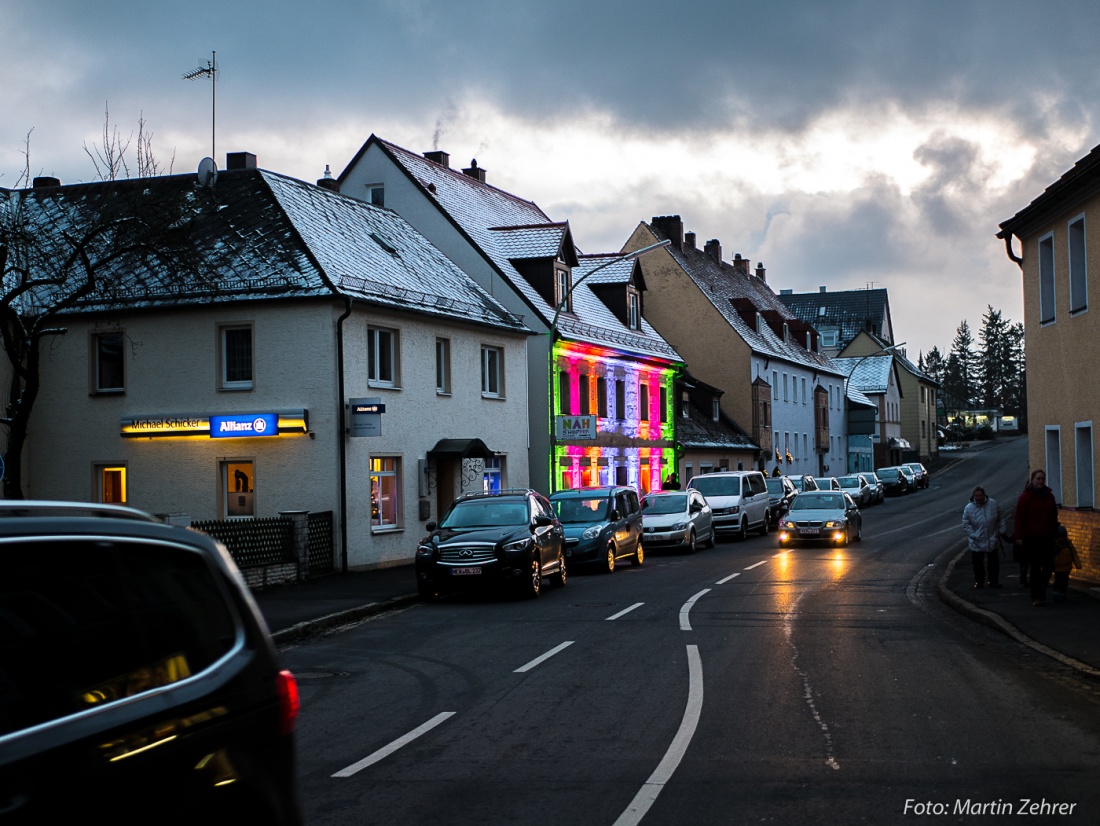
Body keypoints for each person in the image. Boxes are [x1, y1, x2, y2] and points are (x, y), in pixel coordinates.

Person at [1013, 469, 1059, 606]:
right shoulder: (1025, 497)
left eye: (1042, 479)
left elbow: (1053, 516)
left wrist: (1055, 534)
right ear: (1032, 480)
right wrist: (1019, 536)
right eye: (1038, 479)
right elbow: (1019, 518)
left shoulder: (1049, 496)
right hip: (1031, 538)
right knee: (1035, 567)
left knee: (1049, 566)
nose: (1040, 481)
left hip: (1047, 537)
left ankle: (1042, 590)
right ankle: (1036, 596)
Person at [962, 485, 1002, 588]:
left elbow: (1000, 518)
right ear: (973, 496)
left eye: (980, 495)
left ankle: (993, 581)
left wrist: (999, 531)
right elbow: (966, 523)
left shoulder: (992, 504)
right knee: (977, 564)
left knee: (993, 562)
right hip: (977, 540)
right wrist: (973, 534)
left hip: (991, 538)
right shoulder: (969, 508)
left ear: (984, 495)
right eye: (976, 496)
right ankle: (979, 581)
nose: (978, 497)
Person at [1051, 524, 1082, 602]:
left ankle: (1061, 594)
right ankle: (1058, 594)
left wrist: (1078, 564)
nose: (1063, 539)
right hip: (1058, 567)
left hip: (1066, 567)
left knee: (1063, 581)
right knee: (1059, 581)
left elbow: (1074, 554)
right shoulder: (1057, 545)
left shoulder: (1067, 544)